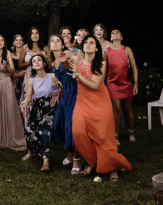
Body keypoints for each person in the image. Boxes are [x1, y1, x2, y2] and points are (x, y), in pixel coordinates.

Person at [71, 35, 132, 182]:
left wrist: (78, 74)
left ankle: (112, 168)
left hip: (100, 103)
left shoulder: (101, 63)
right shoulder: (76, 63)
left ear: (97, 48)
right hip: (82, 103)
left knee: (104, 137)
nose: (88, 45)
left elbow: (95, 85)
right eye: (86, 43)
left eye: (91, 43)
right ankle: (93, 161)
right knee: (78, 132)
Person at [20, 53, 60, 172]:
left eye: (39, 60)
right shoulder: (31, 80)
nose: (36, 62)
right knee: (29, 131)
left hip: (50, 106)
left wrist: (58, 90)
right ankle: (31, 152)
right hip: (38, 107)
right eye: (34, 61)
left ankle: (46, 161)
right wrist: (24, 103)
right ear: (32, 66)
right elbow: (28, 98)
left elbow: (61, 87)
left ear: (43, 63)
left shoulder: (52, 76)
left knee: (44, 131)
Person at [0, 35, 27, 151]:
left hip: (6, 83)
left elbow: (13, 71)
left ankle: (11, 139)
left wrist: (7, 66)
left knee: (9, 109)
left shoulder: (7, 53)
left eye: (2, 40)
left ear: (4, 44)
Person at [50, 35, 81, 174]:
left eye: (58, 41)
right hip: (64, 95)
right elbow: (61, 80)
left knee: (70, 127)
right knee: (58, 125)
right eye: (52, 41)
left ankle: (76, 158)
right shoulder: (53, 62)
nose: (55, 43)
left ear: (62, 45)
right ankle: (70, 152)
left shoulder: (68, 54)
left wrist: (66, 63)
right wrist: (58, 88)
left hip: (74, 94)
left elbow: (75, 71)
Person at [106, 29, 138, 144]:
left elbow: (134, 67)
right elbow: (104, 69)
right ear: (110, 38)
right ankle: (115, 137)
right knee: (117, 109)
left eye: (117, 32)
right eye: (112, 33)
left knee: (128, 110)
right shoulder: (107, 51)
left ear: (121, 37)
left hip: (126, 83)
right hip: (112, 83)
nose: (115, 34)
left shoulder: (127, 50)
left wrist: (135, 83)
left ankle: (132, 133)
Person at [18, 27, 50, 125]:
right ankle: (28, 127)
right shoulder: (25, 47)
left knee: (40, 100)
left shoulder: (45, 47)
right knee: (28, 100)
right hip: (29, 76)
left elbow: (49, 63)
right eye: (32, 33)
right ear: (30, 36)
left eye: (37, 33)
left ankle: (41, 127)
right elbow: (19, 64)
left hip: (42, 76)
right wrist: (31, 62)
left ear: (39, 35)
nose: (35, 35)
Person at [10, 34, 26, 101]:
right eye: (16, 40)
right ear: (14, 42)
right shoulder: (10, 55)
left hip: (25, 77)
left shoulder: (27, 54)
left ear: (23, 42)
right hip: (14, 79)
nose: (18, 41)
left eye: (20, 40)